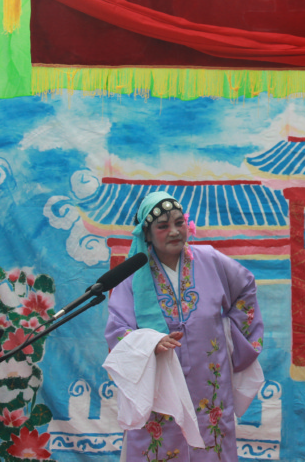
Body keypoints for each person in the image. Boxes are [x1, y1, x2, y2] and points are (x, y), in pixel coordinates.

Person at [105, 191, 264, 462]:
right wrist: (150, 343)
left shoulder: (211, 260)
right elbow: (118, 330)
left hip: (209, 377)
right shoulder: (132, 276)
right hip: (160, 385)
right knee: (160, 444)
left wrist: (229, 336)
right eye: (163, 226)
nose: (174, 231)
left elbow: (245, 287)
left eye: (179, 223)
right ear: (146, 234)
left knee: (210, 441)